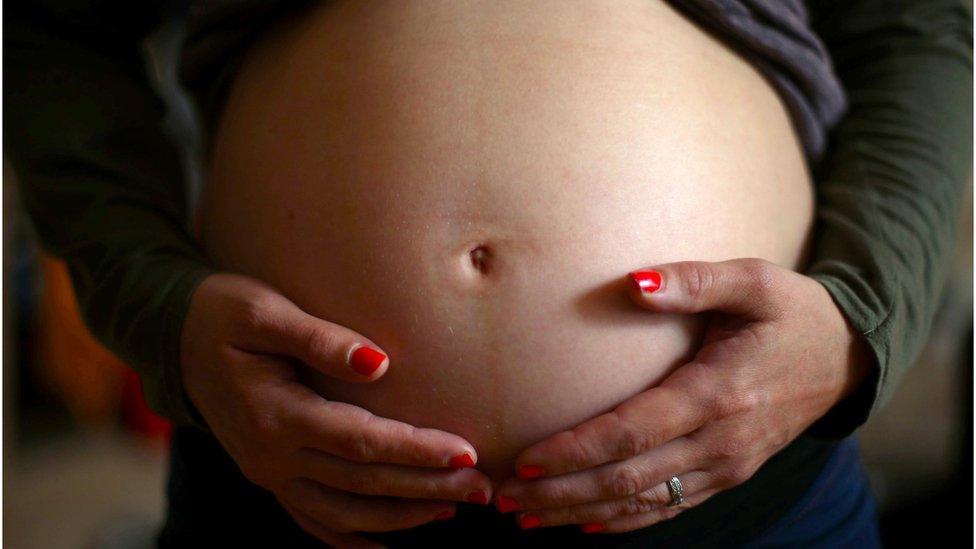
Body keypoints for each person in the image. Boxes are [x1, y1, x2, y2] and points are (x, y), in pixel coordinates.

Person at [5, 1, 972, 547]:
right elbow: (54, 29)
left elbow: (918, 24)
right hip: (286, 495)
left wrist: (856, 322)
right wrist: (155, 301)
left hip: (745, 502)